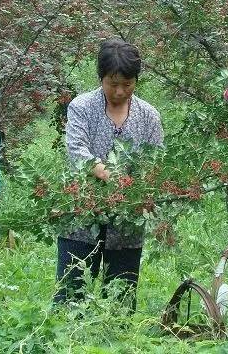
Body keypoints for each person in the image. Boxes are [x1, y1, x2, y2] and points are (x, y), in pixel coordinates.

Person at [55, 38, 163, 308]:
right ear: (101, 78)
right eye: (113, 84)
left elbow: (157, 159)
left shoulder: (149, 115)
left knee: (122, 293)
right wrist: (107, 174)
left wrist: (144, 189)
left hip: (128, 216)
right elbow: (77, 151)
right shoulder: (81, 107)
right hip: (81, 210)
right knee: (72, 289)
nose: (119, 91)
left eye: (127, 84)